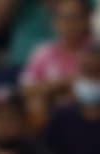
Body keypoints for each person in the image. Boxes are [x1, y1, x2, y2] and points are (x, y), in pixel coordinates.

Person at [19, 0, 92, 128]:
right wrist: (64, 83)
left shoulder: (96, 51)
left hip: (86, 112)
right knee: (35, 102)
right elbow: (26, 88)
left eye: (74, 18)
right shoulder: (43, 52)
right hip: (50, 113)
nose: (69, 24)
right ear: (54, 22)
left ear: (86, 20)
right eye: (63, 18)